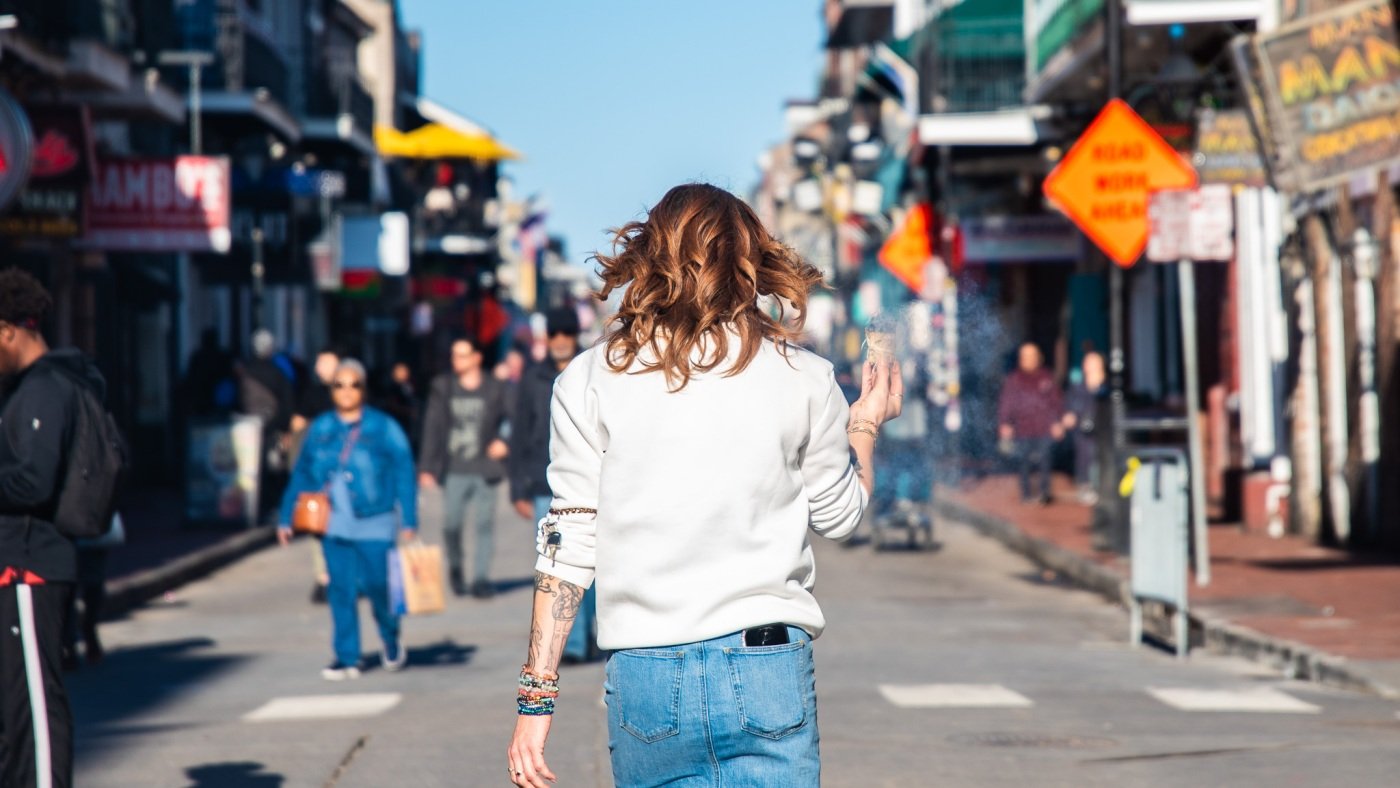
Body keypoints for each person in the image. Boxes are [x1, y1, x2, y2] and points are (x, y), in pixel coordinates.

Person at [506, 184, 901, 787]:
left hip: (646, 673)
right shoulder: (805, 376)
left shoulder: (590, 379)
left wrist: (536, 702)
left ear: (650, 256)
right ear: (750, 260)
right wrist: (865, 422)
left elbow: (567, 548)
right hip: (767, 663)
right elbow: (841, 515)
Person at [0, 267, 104, 787]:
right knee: (13, 711)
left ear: (8, 330)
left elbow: (34, 483)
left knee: (36, 710)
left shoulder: (45, 390)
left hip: (29, 566)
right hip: (15, 567)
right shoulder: (22, 390)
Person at [277, 359, 418, 680]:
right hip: (333, 522)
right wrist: (287, 517)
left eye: (353, 384)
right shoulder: (321, 428)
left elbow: (403, 470)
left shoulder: (383, 427)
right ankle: (347, 655)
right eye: (338, 384)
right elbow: (301, 473)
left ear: (363, 388)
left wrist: (409, 519)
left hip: (376, 519)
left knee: (379, 585)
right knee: (340, 589)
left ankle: (390, 636)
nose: (346, 390)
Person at [507, 306, 597, 662]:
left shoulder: (592, 371)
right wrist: (517, 487)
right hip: (545, 482)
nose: (560, 340)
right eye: (554, 334)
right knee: (556, 565)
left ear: (574, 335)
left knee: (591, 566)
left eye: (566, 333)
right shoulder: (532, 378)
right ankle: (572, 645)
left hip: (589, 482)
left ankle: (590, 634)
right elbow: (519, 433)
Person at [419, 336, 510, 599]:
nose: (455, 360)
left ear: (476, 358)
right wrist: (426, 465)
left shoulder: (495, 387)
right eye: (453, 355)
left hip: (485, 468)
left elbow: (513, 418)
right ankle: (456, 568)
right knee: (451, 524)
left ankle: (481, 578)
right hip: (454, 468)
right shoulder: (444, 386)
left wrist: (504, 441)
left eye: (461, 355)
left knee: (484, 524)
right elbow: (432, 427)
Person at [289, 347, 340, 605]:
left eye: (326, 363)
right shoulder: (313, 392)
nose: (320, 368)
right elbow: (297, 424)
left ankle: (343, 575)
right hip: (317, 472)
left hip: (346, 474)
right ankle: (323, 577)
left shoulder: (349, 390)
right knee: (317, 524)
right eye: (319, 363)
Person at [997, 343, 1065, 504]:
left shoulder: (1046, 377)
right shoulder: (1014, 380)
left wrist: (1058, 423)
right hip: (1023, 429)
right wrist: (1005, 423)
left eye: (1031, 356)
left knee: (1045, 460)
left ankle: (1044, 493)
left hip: (1044, 427)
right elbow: (1006, 403)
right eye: (1025, 357)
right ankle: (1026, 494)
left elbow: (1056, 402)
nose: (1028, 360)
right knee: (1024, 462)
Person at [1064, 351, 1107, 505]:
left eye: (1093, 363)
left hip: (1102, 429)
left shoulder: (1106, 387)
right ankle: (1086, 487)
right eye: (1087, 363)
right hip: (1082, 429)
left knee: (1100, 458)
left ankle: (1102, 488)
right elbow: (1070, 404)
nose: (1089, 366)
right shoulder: (1078, 387)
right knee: (1084, 457)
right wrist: (1069, 415)